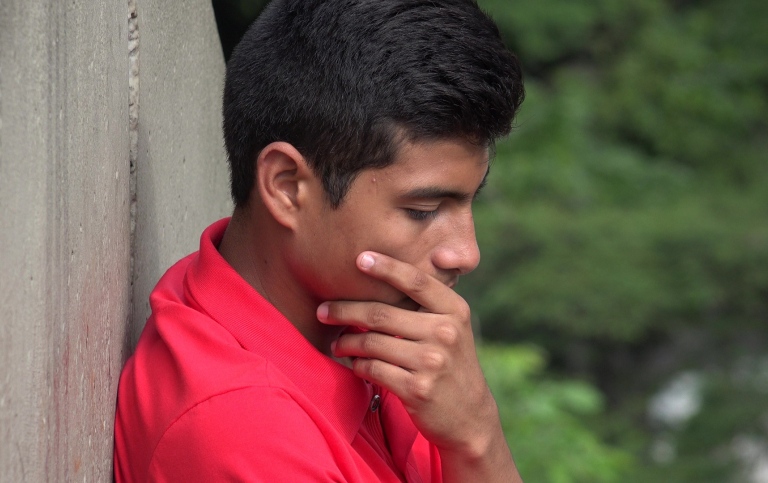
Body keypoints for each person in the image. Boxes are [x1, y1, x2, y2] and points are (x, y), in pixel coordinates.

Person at [114, 0, 525, 481]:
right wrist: (476, 443)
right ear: (287, 186)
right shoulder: (246, 437)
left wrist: (476, 432)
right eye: (423, 210)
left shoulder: (373, 331)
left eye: (470, 201)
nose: (466, 253)